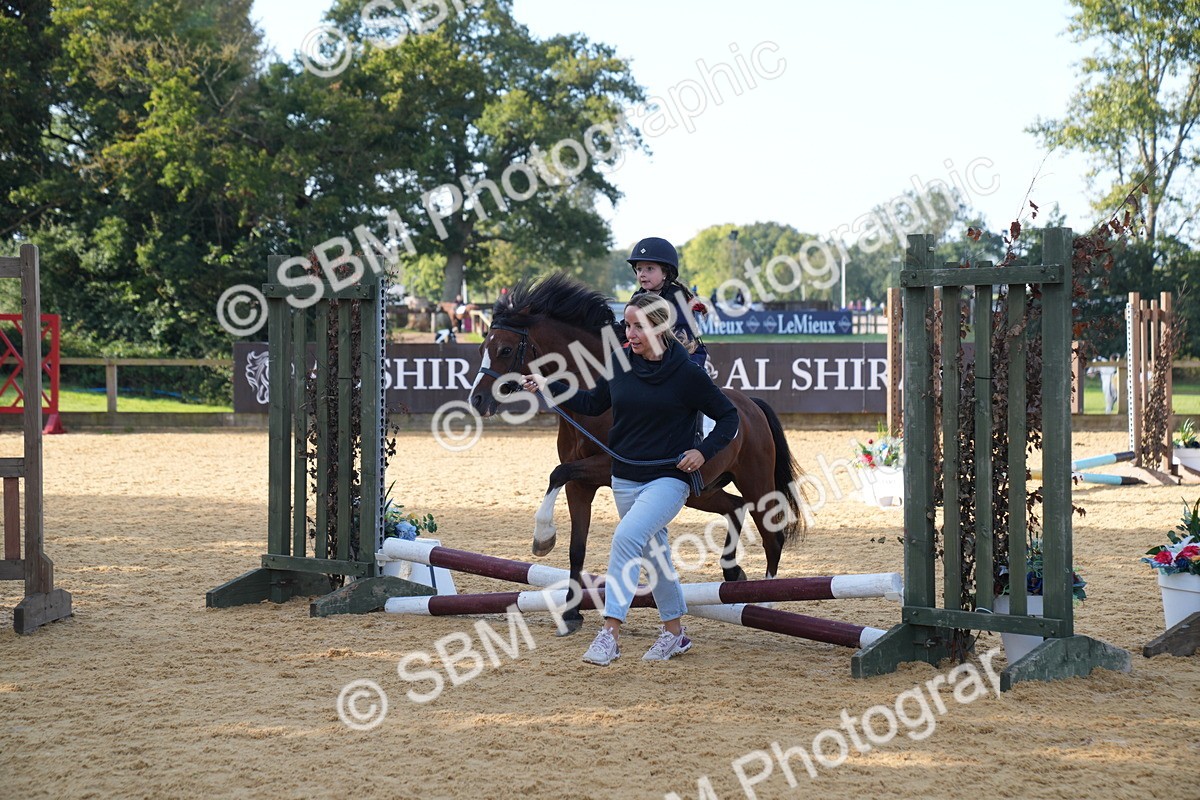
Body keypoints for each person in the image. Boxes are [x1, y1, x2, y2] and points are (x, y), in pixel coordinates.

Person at [522, 293, 738, 665]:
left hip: (669, 479)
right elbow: (592, 403)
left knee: (625, 538)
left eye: (638, 326)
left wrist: (703, 452)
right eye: (627, 324)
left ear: (659, 328)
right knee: (655, 555)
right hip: (626, 478)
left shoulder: (686, 372)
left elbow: (729, 417)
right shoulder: (620, 361)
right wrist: (547, 385)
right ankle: (675, 634)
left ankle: (610, 634)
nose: (629, 332)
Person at [626, 236, 709, 369]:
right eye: (639, 269)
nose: (642, 274)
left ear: (665, 272)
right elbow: (629, 325)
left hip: (681, 353)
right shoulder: (637, 297)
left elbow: (683, 335)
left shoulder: (678, 297)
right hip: (647, 353)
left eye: (649, 269)